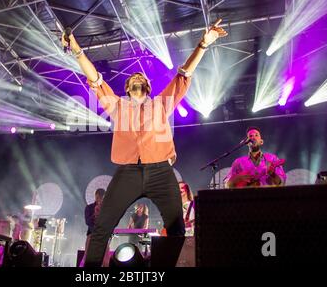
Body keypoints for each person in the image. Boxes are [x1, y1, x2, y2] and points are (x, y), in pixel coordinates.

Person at [63, 19, 227, 266]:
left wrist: (203, 44)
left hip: (161, 171)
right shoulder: (118, 105)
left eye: (142, 78)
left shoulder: (161, 104)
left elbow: (184, 75)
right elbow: (95, 79)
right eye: (133, 78)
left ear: (147, 87)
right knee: (102, 228)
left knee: (177, 231)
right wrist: (76, 50)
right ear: (128, 88)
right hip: (128, 172)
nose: (138, 77)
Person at [79, 188, 109, 267]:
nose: (99, 199)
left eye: (102, 197)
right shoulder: (89, 208)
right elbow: (87, 222)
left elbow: (109, 223)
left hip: (103, 236)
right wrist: (94, 214)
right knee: (88, 258)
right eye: (98, 197)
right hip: (91, 235)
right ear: (95, 196)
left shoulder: (106, 209)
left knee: (106, 261)